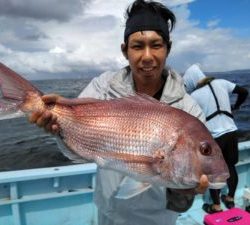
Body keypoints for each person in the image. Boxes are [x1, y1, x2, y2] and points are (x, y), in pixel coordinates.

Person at [29, 1, 209, 224]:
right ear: (124, 50)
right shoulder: (102, 87)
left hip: (157, 219)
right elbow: (76, 148)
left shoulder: (189, 109)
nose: (147, 56)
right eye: (137, 46)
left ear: (168, 48)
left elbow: (185, 187)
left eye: (156, 45)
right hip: (108, 212)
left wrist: (186, 191)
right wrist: (57, 129)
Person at [183, 64, 249, 214]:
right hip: (232, 132)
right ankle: (231, 199)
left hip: (214, 138)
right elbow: (244, 92)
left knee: (213, 172)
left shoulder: (193, 96)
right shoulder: (222, 82)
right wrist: (236, 107)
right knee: (231, 166)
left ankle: (216, 206)